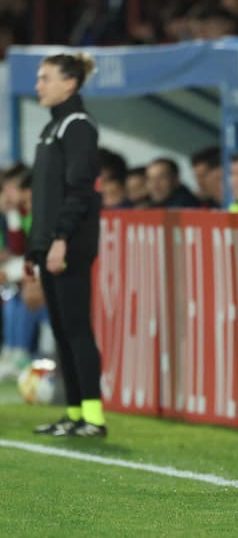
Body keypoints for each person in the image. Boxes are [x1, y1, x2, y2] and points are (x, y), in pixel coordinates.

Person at [26, 52, 106, 437]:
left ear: (70, 83)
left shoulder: (77, 126)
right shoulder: (52, 128)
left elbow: (79, 192)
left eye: (46, 78)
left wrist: (59, 240)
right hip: (49, 245)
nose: (38, 85)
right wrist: (34, 249)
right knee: (61, 331)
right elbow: (43, 199)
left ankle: (93, 416)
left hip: (69, 245)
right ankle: (74, 412)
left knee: (76, 329)